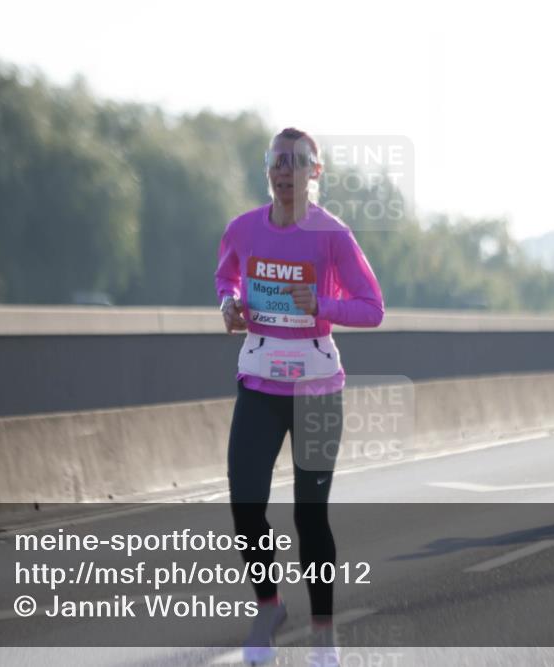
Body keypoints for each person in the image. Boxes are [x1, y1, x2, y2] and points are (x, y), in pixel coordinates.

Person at [215, 127, 384, 665]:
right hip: (260, 384)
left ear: (316, 171)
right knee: (245, 506)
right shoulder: (242, 229)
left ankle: (324, 636)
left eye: (298, 162)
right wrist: (229, 305)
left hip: (316, 388)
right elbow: (228, 281)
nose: (285, 171)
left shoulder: (333, 235)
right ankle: (270, 604)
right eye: (277, 162)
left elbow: (373, 308)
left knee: (309, 517)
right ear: (268, 169)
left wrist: (323, 304)